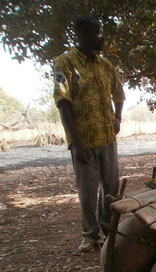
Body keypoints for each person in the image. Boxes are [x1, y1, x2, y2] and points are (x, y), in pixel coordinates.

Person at [53, 16, 125, 252]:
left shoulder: (105, 65)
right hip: (83, 140)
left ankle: (108, 231)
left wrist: (118, 117)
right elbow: (63, 102)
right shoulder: (64, 63)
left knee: (111, 188)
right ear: (82, 34)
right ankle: (90, 235)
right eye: (98, 33)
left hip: (107, 137)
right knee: (87, 190)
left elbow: (119, 93)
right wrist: (76, 142)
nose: (102, 37)